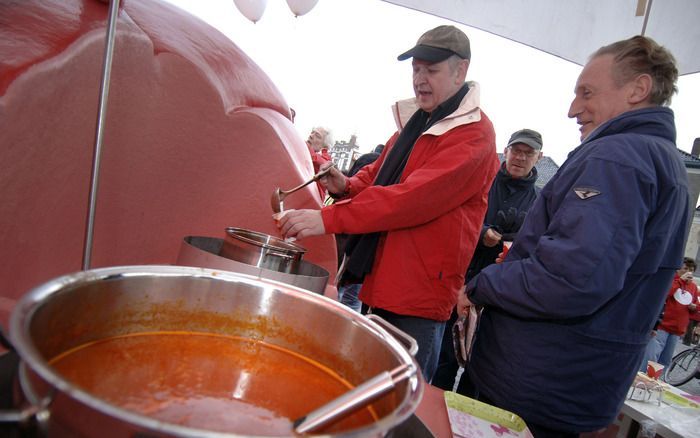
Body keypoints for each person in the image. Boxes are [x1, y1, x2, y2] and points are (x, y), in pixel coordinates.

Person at [456, 35, 690, 436]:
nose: (572, 109)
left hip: (535, 383)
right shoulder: (664, 163)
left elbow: (570, 278)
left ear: (638, 89)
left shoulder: (618, 157)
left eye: (587, 93)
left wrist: (483, 284)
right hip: (573, 383)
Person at [276, 25, 499, 381]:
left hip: (420, 293)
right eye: (416, 69)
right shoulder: (416, 124)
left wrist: (328, 218)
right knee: (367, 383)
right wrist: (345, 185)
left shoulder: (473, 134)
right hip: (382, 279)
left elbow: (411, 199)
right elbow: (378, 177)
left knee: (401, 395)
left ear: (461, 71)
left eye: (431, 70)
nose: (419, 79)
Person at [432, 128, 543, 392]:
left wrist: (510, 244)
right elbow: (457, 214)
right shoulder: (483, 179)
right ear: (505, 151)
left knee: (480, 364)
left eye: (528, 153)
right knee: (445, 353)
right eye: (516, 150)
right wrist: (481, 233)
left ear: (539, 157)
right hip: (460, 277)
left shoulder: (540, 200)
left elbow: (539, 242)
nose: (520, 157)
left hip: (500, 291)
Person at [336, 144, 385, 312]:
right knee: (351, 300)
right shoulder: (380, 164)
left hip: (347, 245)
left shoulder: (368, 161)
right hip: (361, 251)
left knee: (340, 294)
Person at [639, 257, 698, 371]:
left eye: (691, 269)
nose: (688, 272)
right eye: (685, 268)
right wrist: (680, 280)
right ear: (678, 269)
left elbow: (695, 305)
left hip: (678, 329)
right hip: (663, 325)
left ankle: (657, 384)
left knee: (665, 361)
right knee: (651, 357)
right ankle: (641, 380)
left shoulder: (693, 287)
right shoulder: (671, 280)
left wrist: (694, 307)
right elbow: (665, 293)